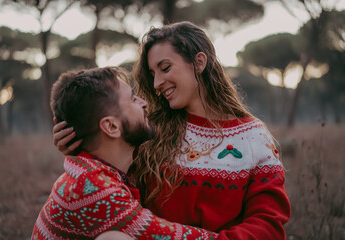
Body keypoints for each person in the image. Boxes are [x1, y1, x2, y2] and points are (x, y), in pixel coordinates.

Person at [54, 21, 291, 239]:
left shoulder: (254, 136)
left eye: (165, 68)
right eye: (152, 74)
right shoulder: (148, 130)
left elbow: (268, 222)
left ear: (199, 62)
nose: (156, 84)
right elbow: (108, 182)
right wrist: (80, 146)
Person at [32, 66, 220, 239]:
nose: (144, 102)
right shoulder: (95, 189)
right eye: (132, 99)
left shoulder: (98, 169)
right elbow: (164, 236)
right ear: (111, 126)